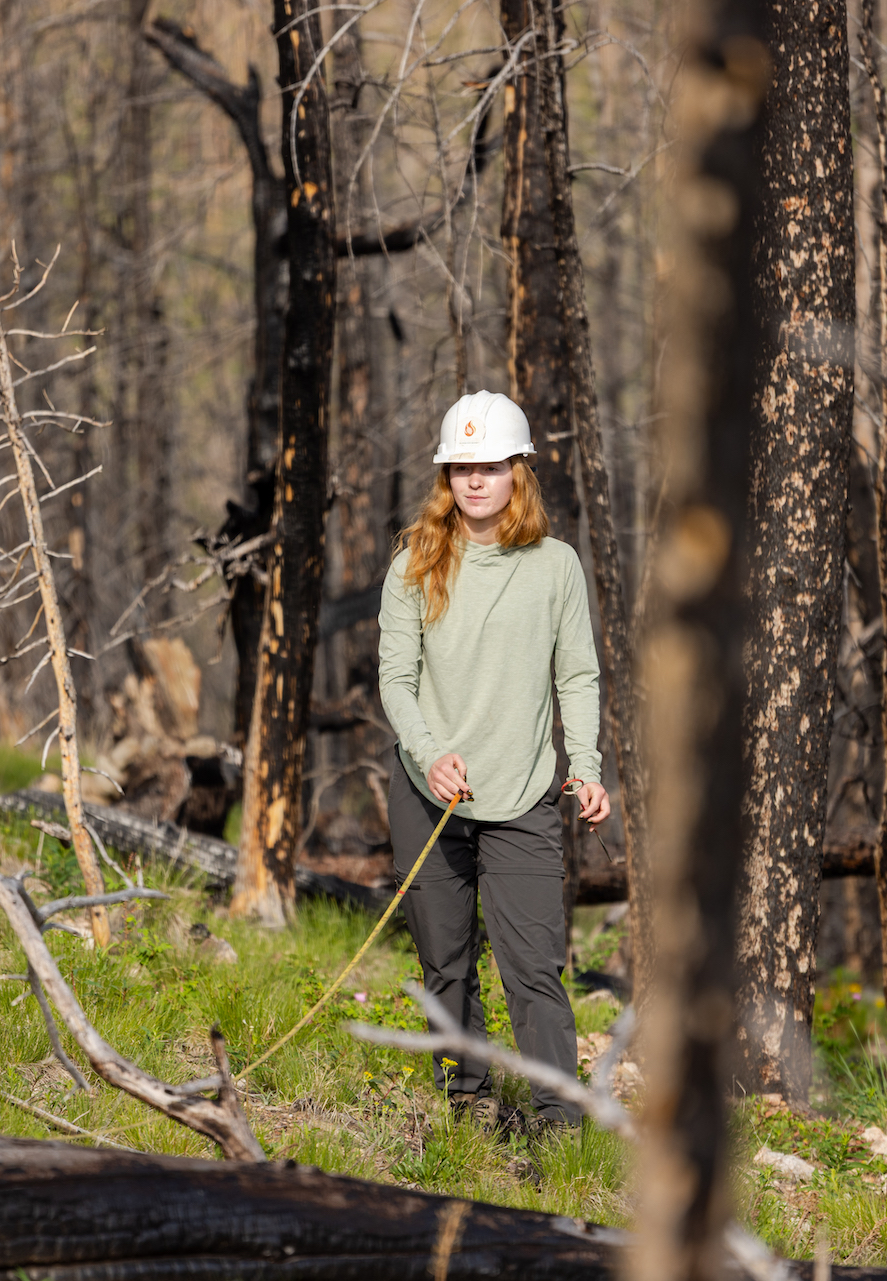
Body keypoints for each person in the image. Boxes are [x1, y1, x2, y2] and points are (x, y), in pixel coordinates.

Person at [378, 389, 611, 1137]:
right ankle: (467, 1102)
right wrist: (429, 753)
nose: (475, 481)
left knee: (533, 968)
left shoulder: (555, 568)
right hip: (428, 791)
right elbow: (396, 679)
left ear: (519, 472)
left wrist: (587, 765)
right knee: (445, 962)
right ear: (446, 478)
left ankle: (559, 1120)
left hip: (521, 796)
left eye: (491, 466)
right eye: (461, 468)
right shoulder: (415, 562)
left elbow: (577, 674)